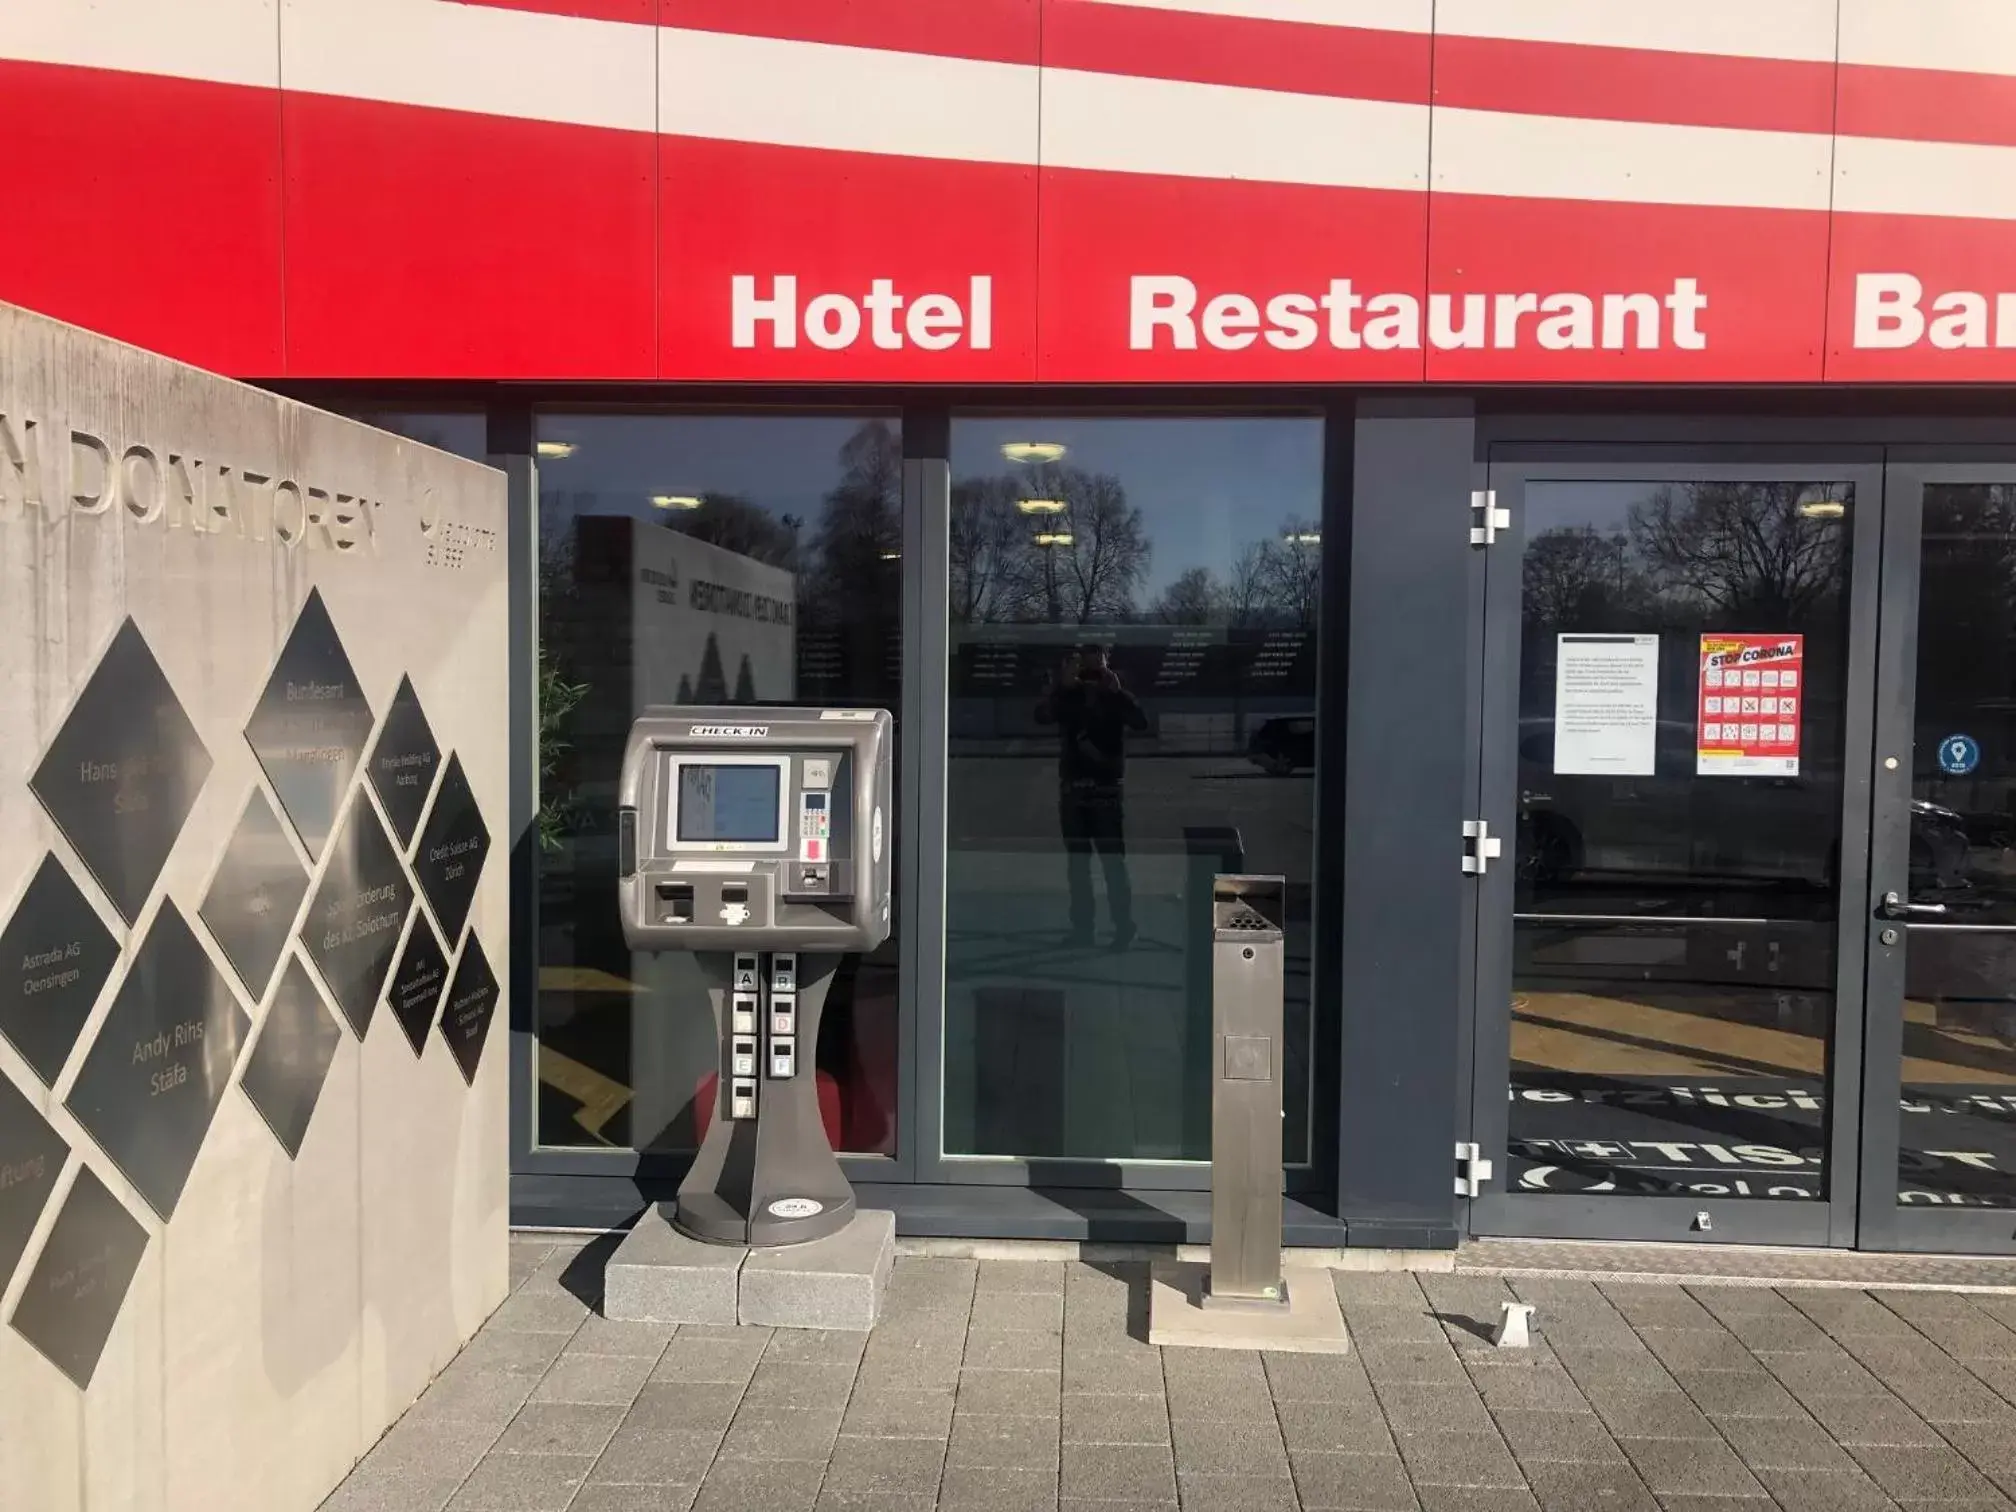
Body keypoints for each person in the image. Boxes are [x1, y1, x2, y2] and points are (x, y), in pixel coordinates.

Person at [1035, 644, 1148, 948]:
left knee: (1113, 865)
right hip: (1074, 789)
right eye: (1085, 669)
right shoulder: (1068, 696)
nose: (1090, 676)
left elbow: (1141, 722)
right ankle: (1083, 929)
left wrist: (1118, 692)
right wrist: (1061, 686)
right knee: (1078, 867)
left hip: (1106, 790)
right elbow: (1041, 716)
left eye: (1096, 668)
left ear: (1107, 666)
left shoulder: (1114, 696)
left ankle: (1123, 927)